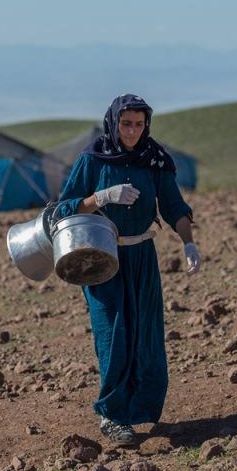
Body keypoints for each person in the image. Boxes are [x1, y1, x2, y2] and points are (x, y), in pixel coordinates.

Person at [54, 94, 201, 446]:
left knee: (146, 335)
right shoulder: (93, 160)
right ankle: (112, 416)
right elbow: (63, 209)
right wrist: (102, 198)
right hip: (101, 259)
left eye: (139, 124)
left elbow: (174, 206)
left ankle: (139, 409)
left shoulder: (155, 160)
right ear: (113, 122)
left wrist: (188, 241)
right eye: (126, 124)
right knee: (113, 335)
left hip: (143, 257)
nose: (133, 131)